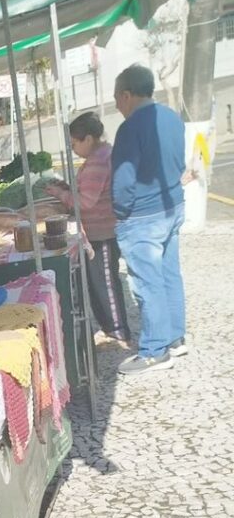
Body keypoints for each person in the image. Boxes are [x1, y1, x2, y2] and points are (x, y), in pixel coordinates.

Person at [110, 64, 187, 375]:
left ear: (127, 95)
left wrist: (120, 212)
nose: (116, 104)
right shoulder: (171, 117)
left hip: (142, 215)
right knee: (169, 274)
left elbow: (123, 179)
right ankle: (176, 338)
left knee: (147, 282)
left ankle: (155, 351)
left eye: (116, 98)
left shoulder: (129, 128)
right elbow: (179, 163)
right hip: (172, 206)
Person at [45, 113, 131, 345]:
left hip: (102, 232)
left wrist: (60, 194)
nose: (73, 149)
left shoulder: (98, 161)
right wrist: (67, 188)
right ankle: (109, 327)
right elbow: (87, 191)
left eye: (74, 144)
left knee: (105, 282)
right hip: (98, 229)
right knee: (97, 282)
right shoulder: (101, 155)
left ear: (89, 139)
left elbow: (85, 201)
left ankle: (118, 331)